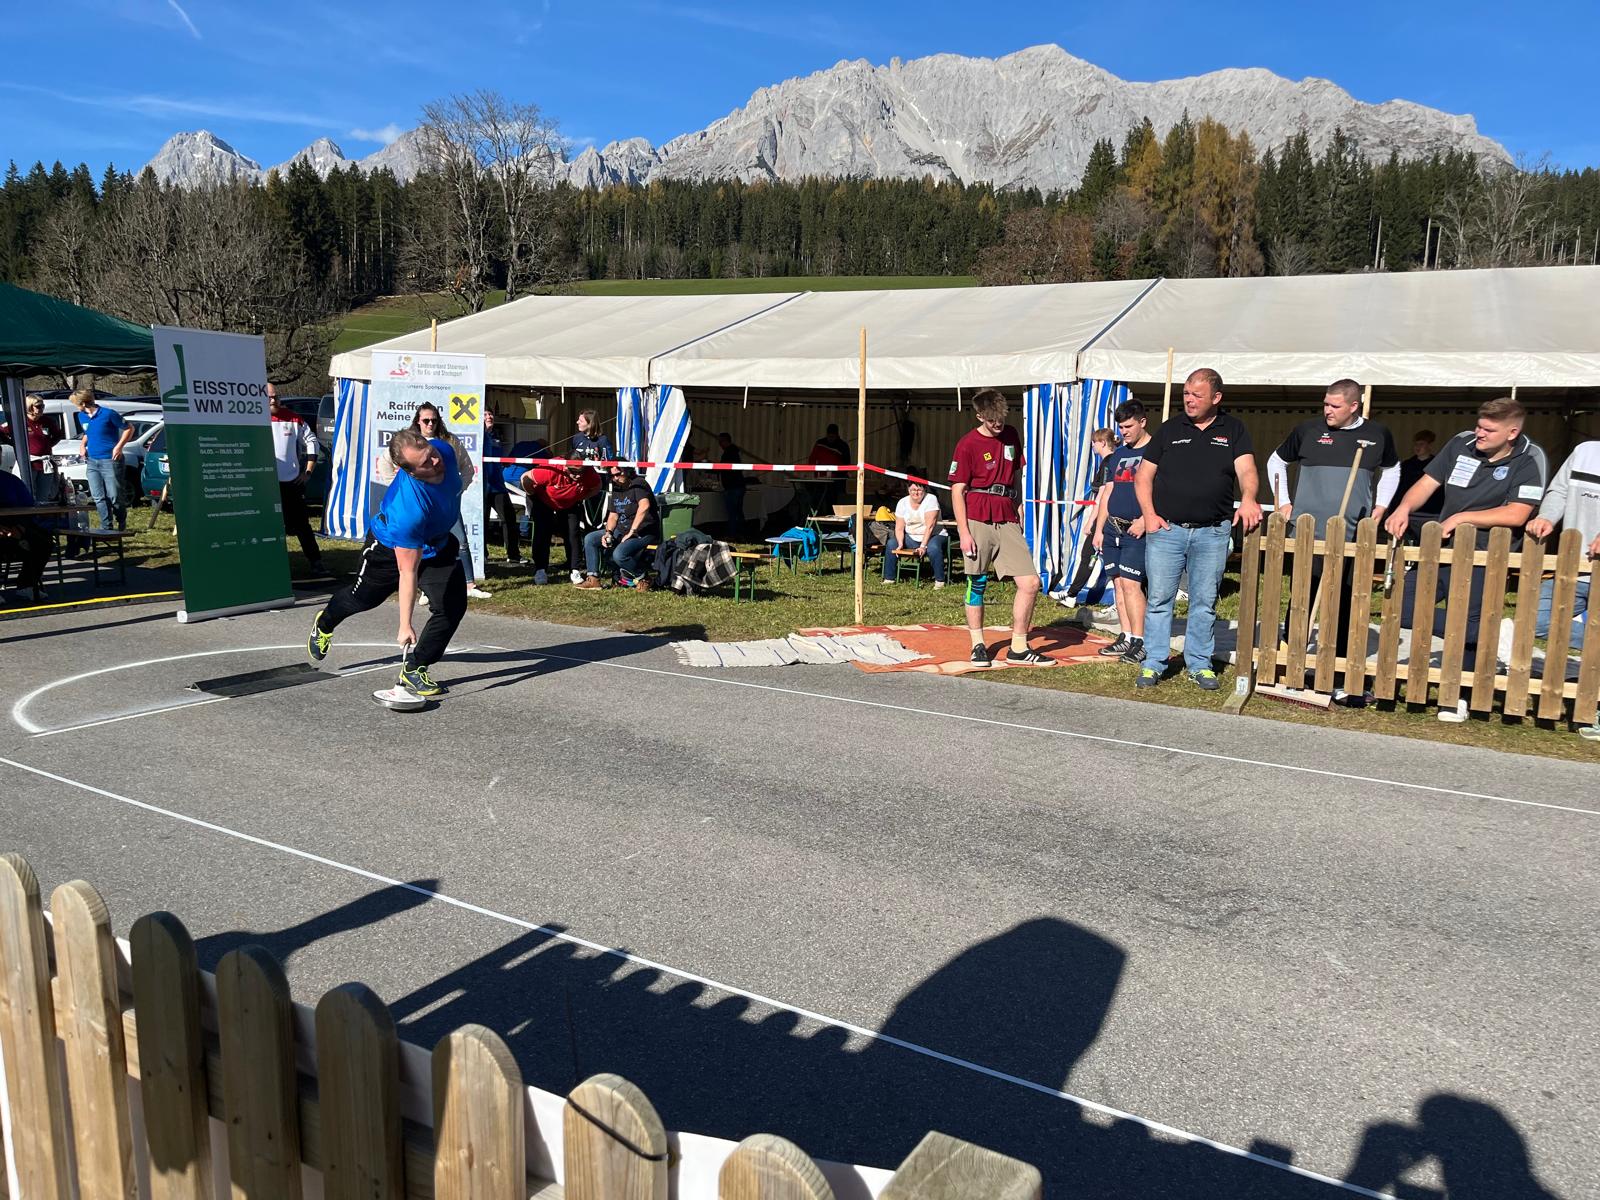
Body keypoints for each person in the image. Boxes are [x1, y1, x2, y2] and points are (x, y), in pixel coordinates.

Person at [1384, 397, 1545, 715]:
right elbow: (1428, 482)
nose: (1479, 433)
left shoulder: (1529, 459)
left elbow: (1518, 513)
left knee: (1469, 625)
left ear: (1511, 433)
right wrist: (1403, 507)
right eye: (1478, 425)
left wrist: (1462, 518)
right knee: (1402, 607)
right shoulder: (1461, 444)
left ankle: (1459, 696)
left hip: (1488, 555)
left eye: (1488, 429)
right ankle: (1495, 631)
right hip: (1442, 549)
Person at [1265, 379, 1400, 705]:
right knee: (1302, 598)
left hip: (1353, 535)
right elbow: (1276, 461)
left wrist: (1381, 507)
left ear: (1354, 406)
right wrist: (1284, 503)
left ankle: (1337, 674)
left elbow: (1393, 469)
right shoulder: (1307, 431)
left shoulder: (1377, 435)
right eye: (1325, 404)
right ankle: (1291, 668)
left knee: (1344, 603)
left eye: (1335, 406)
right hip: (1308, 532)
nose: (1327, 410)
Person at [307, 429, 466, 698]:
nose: (436, 462)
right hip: (390, 549)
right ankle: (325, 622)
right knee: (363, 599)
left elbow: (450, 475)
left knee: (452, 606)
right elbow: (408, 572)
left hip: (436, 543)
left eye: (432, 454)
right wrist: (405, 625)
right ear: (410, 472)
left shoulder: (443, 451)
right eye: (426, 463)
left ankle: (415, 668)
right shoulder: (408, 510)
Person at [1134, 368, 1262, 691]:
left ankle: (1199, 663)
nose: (1189, 401)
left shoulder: (1233, 430)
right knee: (1160, 599)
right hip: (1167, 530)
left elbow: (1247, 470)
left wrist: (1248, 499)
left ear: (1216, 398)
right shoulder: (1169, 430)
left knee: (1204, 601)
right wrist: (1149, 515)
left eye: (1197, 395)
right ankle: (1153, 663)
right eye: (1186, 394)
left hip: (1213, 532)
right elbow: (1143, 477)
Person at [948, 388, 1049, 667]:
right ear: (980, 415)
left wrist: (1018, 509)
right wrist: (964, 532)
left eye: (1000, 419)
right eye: (991, 419)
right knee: (976, 582)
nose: (997, 424)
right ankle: (977, 644)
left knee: (1030, 582)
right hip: (977, 514)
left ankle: (1018, 647)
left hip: (1006, 514)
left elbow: (1016, 473)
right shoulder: (967, 444)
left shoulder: (1012, 435)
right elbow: (958, 491)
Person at [379, 404, 487, 599]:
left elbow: (467, 468)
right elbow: (385, 462)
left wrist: (456, 490)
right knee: (421, 546)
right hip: (423, 506)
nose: (430, 424)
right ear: (418, 421)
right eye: (426, 420)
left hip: (446, 503)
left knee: (460, 541)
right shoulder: (410, 443)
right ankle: (425, 589)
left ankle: (469, 583)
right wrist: (396, 487)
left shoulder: (449, 441)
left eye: (434, 420)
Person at [1526, 438, 1598, 656]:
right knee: (1535, 621)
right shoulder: (1584, 451)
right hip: (1571, 569)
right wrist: (1547, 516)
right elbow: (1559, 491)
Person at [1092, 402, 1152, 664]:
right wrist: (1098, 530)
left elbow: (1163, 489)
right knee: (1117, 583)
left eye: (1128, 427)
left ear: (1142, 422)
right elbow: (1108, 492)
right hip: (1112, 527)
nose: (1123, 432)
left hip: (1136, 528)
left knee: (1131, 584)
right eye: (1120, 427)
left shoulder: (1154, 451)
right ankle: (1126, 635)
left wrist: (1145, 518)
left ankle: (1140, 640)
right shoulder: (1117, 455)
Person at [267, 384, 327, 575]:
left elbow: (312, 441)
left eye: (275, 397)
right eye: (268, 397)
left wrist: (308, 471)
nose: (273, 401)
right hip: (266, 485)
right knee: (271, 527)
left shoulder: (293, 418)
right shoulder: (254, 419)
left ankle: (316, 562)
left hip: (291, 483)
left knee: (302, 526)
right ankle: (274, 565)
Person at [574, 465, 659, 591]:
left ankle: (644, 578)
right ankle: (593, 579)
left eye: (618, 474)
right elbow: (613, 515)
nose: (616, 478)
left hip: (644, 531)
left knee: (619, 555)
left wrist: (632, 531)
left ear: (627, 470)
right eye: (612, 476)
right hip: (622, 529)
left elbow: (644, 506)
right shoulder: (616, 488)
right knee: (590, 538)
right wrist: (608, 532)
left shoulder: (639, 483)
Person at [521, 456, 602, 584]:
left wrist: (580, 497)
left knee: (573, 534)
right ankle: (540, 569)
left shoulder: (589, 473)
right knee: (542, 532)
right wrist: (532, 494)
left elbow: (597, 487)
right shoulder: (551, 469)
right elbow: (525, 477)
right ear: (565, 467)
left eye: (580, 472)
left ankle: (574, 569)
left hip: (570, 502)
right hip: (544, 500)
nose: (577, 476)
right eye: (573, 472)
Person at [1061, 427, 1117, 611]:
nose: (1092, 445)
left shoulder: (1109, 463)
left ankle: (1072, 594)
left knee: (1092, 555)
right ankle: (1072, 593)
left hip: (1107, 517)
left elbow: (1103, 495)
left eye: (1094, 442)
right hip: (1108, 516)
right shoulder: (1110, 462)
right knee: (1095, 556)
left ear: (1102, 442)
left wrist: (1092, 522)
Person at [74, 389, 132, 530]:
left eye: (76, 403)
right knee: (98, 496)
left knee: (114, 495)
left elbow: (129, 428)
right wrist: (82, 445)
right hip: (93, 461)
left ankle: (121, 518)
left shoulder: (108, 414)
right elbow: (88, 433)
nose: (76, 407)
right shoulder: (82, 416)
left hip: (110, 460)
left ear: (83, 402)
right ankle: (107, 525)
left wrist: (119, 447)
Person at [0, 467, 51, 604]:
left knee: (44, 541)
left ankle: (26, 586)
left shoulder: (11, 480)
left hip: (16, 527)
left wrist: (21, 529)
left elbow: (29, 507)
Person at [882, 479, 947, 587]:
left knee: (933, 548)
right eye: (913, 489)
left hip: (934, 535)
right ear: (908, 490)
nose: (916, 493)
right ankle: (889, 578)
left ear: (924, 490)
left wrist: (923, 546)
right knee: (891, 544)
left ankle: (940, 580)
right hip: (911, 537)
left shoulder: (931, 499)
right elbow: (899, 528)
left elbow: (930, 526)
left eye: (919, 489)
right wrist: (900, 544)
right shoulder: (902, 502)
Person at [481, 410, 522, 569]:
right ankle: (482, 556)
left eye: (490, 414)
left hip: (498, 485)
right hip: (483, 486)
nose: (489, 417)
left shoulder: (496, 436)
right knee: (482, 521)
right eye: (484, 415)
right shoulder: (479, 436)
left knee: (509, 517)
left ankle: (513, 555)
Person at [1395, 429, 1445, 538]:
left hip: (1432, 513)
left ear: (1430, 445)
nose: (1417, 447)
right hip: (1410, 514)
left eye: (1421, 444)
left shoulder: (1437, 465)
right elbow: (1400, 488)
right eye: (1416, 444)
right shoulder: (1406, 465)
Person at [24, 396, 61, 503]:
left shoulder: (47, 421)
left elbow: (58, 435)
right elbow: (3, 431)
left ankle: (42, 517)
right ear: (29, 407)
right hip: (29, 463)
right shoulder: (22, 421)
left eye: (43, 406)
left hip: (45, 463)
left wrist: (48, 445)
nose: (41, 409)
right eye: (38, 406)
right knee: (28, 493)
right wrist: (13, 444)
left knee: (44, 495)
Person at [716, 432, 751, 536]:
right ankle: (742, 533)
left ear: (725, 441)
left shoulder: (729, 453)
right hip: (738, 485)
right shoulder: (734, 451)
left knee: (732, 512)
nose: (719, 444)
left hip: (733, 486)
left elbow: (725, 468)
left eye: (720, 442)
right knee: (738, 511)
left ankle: (733, 534)